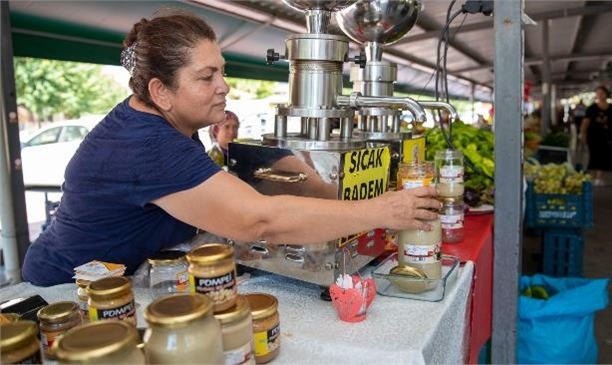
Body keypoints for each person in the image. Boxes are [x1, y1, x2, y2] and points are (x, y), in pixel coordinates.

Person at [21, 11, 441, 286]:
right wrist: (384, 210)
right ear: (160, 91)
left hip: (122, 278)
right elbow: (259, 221)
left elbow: (195, 188)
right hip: (65, 293)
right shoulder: (147, 145)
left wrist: (227, 153)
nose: (224, 86)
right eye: (207, 77)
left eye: (221, 71)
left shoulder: (159, 122)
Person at [580, 86, 612, 186]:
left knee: (605, 157)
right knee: (594, 156)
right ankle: (594, 177)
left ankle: (599, 177)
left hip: (608, 137)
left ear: (606, 94)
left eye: (602, 93)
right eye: (598, 93)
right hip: (593, 137)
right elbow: (585, 123)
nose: (600, 95)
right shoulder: (592, 108)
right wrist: (583, 134)